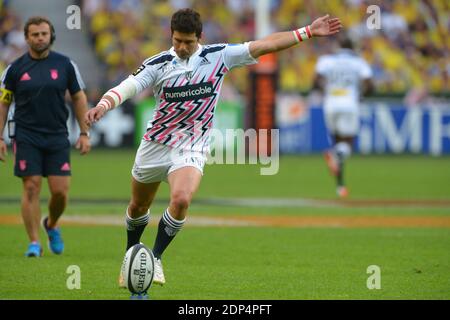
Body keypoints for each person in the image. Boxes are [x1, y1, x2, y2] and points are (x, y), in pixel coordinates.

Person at [85, 8, 342, 286]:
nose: (182, 47)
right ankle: (130, 256)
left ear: (200, 38)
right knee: (138, 205)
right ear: (171, 36)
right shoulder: (158, 64)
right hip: (155, 144)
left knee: (181, 199)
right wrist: (103, 105)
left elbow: (265, 44)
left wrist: (305, 32)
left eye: (188, 41)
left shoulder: (218, 56)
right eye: (177, 41)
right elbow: (129, 86)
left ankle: (156, 257)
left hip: (192, 144)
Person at [0, 16, 91, 257]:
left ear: (51, 36)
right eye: (35, 34)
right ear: (27, 37)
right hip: (26, 135)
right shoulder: (14, 68)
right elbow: (3, 103)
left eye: (44, 34)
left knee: (60, 192)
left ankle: (51, 224)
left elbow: (79, 97)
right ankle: (34, 242)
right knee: (31, 187)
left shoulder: (65, 65)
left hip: (57, 135)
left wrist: (84, 132)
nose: (40, 38)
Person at [313, 35, 373, 198]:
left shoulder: (326, 60)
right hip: (349, 103)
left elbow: (316, 81)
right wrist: (360, 96)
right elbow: (369, 84)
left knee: (336, 143)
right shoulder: (358, 62)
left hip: (331, 103)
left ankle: (340, 186)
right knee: (348, 143)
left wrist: (326, 91)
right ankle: (335, 157)